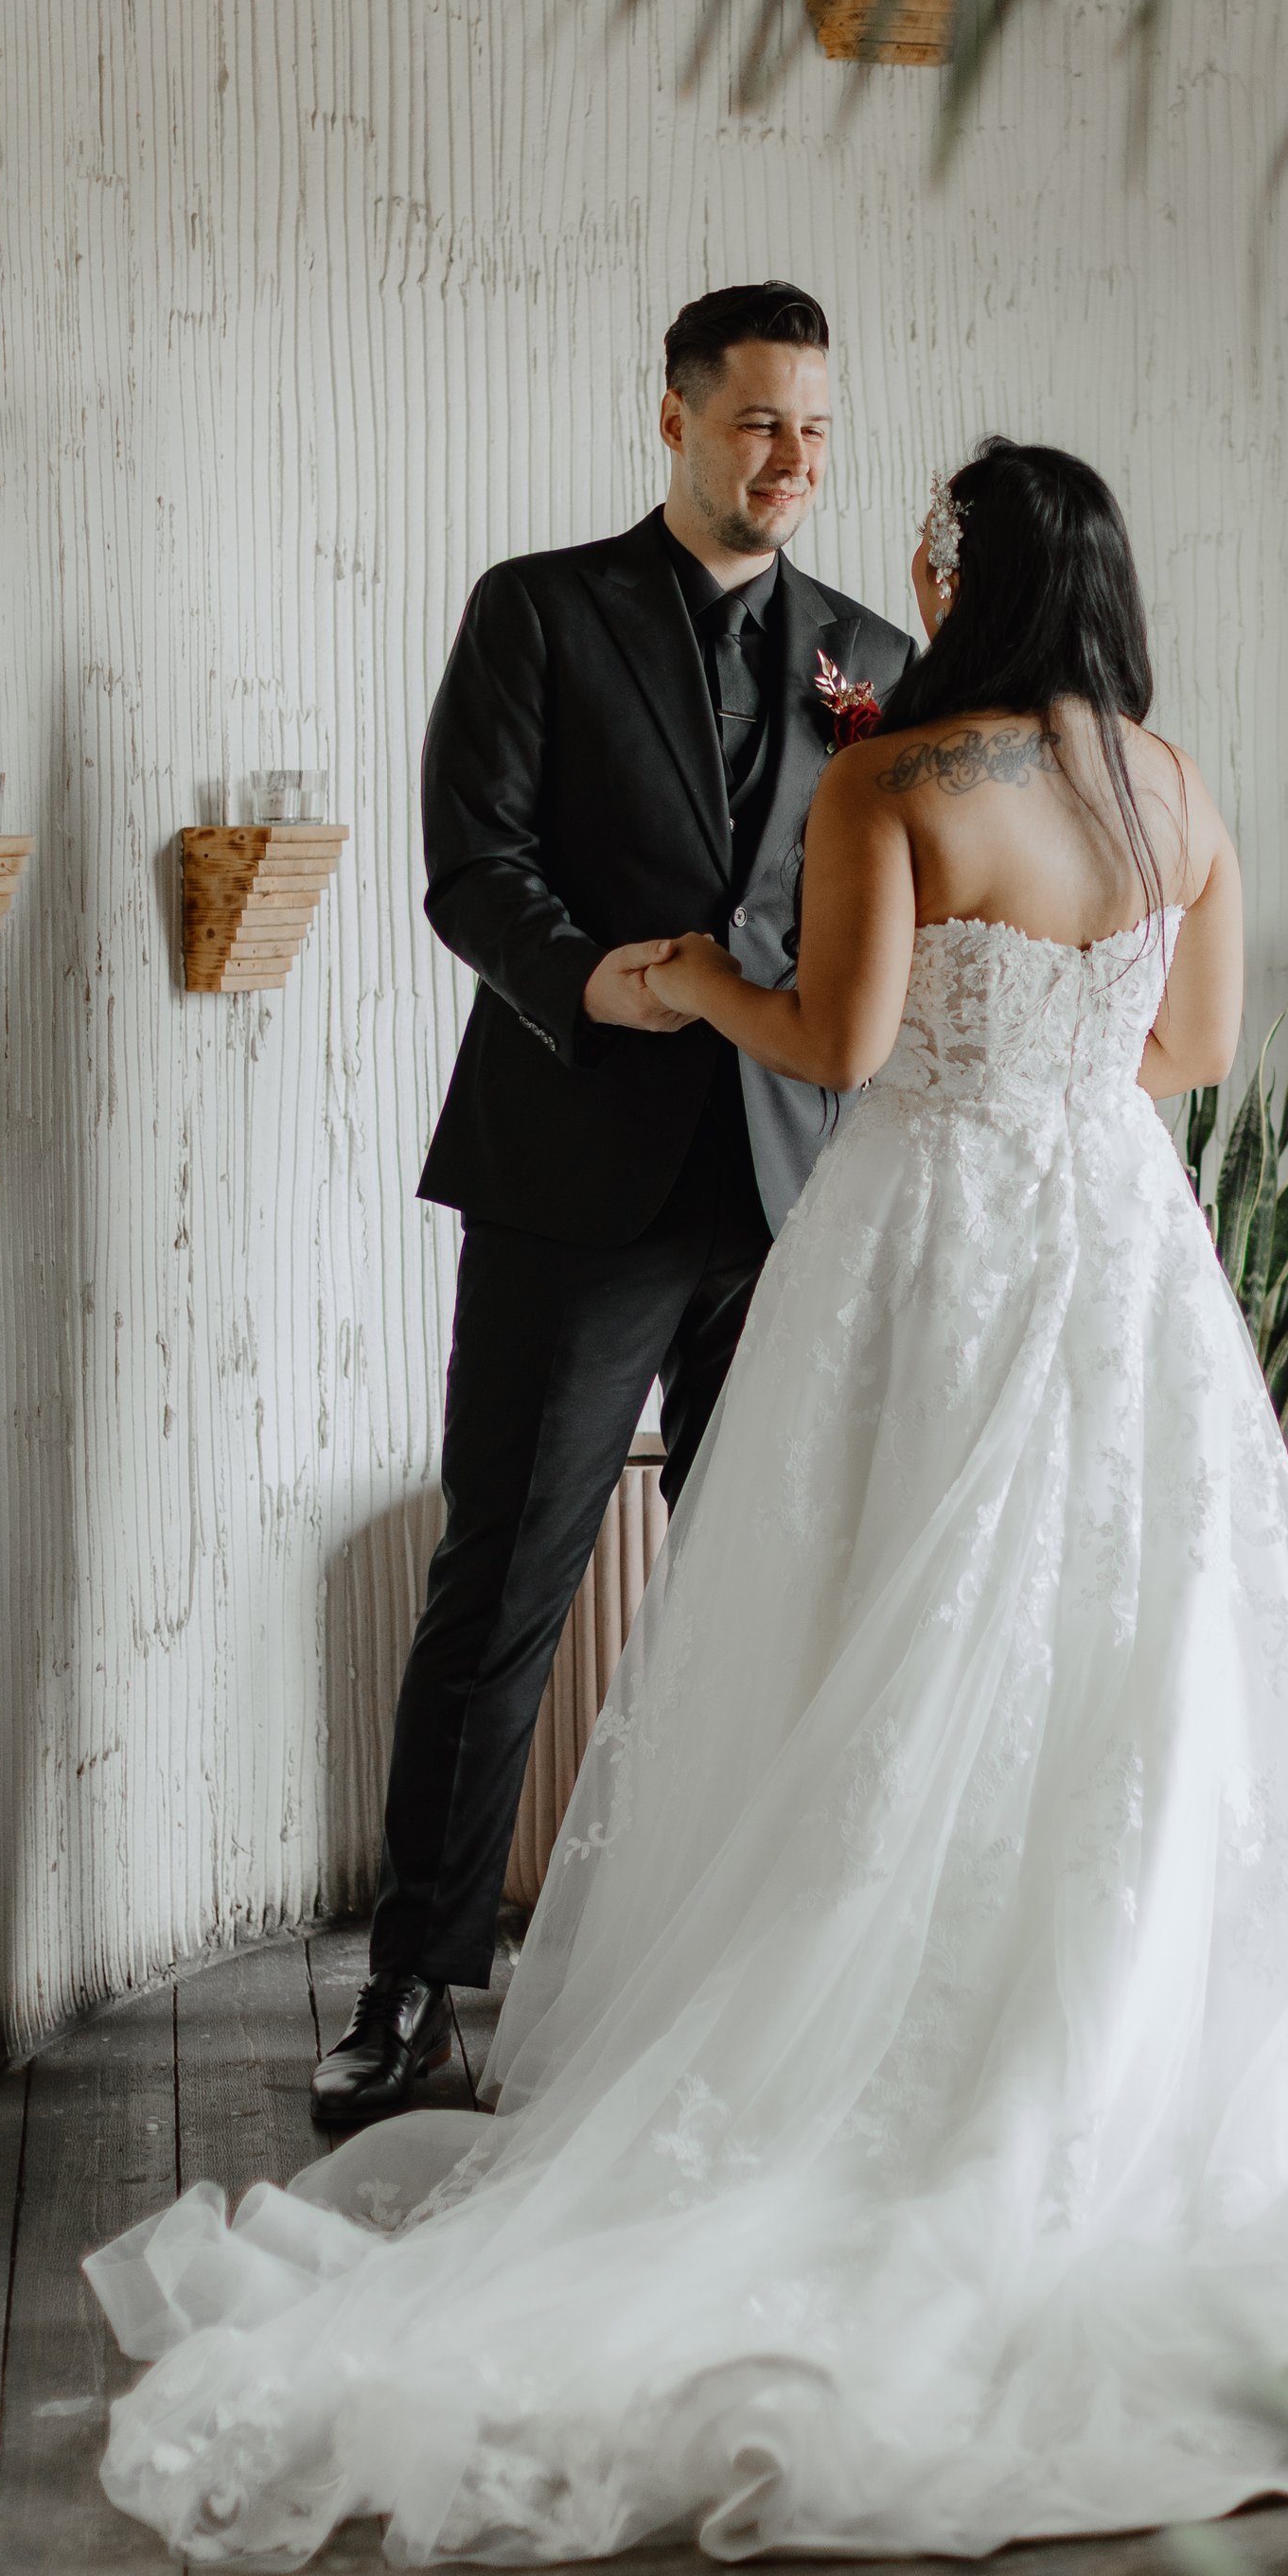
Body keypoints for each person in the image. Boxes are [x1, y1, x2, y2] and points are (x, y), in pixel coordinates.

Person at [88, 439, 1288, 2568]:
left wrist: (676, 984)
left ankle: (842, 2040)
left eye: (931, 543)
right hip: (1116, 1252)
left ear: (967, 580)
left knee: (880, 1623)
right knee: (1117, 1645)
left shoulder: (894, 778)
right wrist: (1044, 1076)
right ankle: (1095, 2053)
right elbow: (1191, 1052)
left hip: (930, 1242)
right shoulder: (1171, 786)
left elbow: (833, 1041)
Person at [311, 280, 913, 2126]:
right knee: (506, 1579)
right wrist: (589, 981)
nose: (791, 458)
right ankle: (412, 1986)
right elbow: (469, 865)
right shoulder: (538, 611)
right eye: (757, 422)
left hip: (797, 1188)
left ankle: (730, 1978)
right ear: (673, 419)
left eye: (815, 426)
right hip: (575, 1177)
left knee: (771, 1588)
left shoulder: (875, 658)